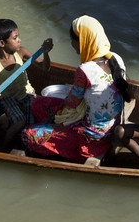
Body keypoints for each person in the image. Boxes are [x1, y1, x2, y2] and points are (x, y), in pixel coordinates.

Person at [22, 15, 131, 162]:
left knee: (28, 135)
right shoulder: (116, 58)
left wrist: (65, 103)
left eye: (73, 40)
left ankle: (61, 139)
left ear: (83, 41)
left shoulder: (85, 70)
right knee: (38, 104)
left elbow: (72, 103)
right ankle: (54, 128)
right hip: (111, 126)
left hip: (91, 139)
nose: (72, 44)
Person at [0, 18, 53, 149]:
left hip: (27, 94)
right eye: (15, 38)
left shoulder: (21, 52)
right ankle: (4, 145)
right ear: (2, 43)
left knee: (31, 125)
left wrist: (45, 52)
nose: (19, 40)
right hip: (8, 98)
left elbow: (45, 68)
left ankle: (26, 144)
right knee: (20, 121)